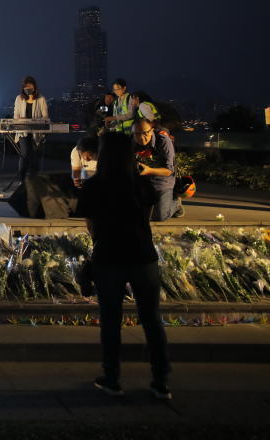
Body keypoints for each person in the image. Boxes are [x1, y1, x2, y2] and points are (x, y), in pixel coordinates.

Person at [76, 132, 171, 399]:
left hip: (109, 257)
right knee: (152, 320)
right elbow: (146, 220)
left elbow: (91, 226)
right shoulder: (142, 185)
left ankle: (111, 378)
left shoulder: (94, 186)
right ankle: (161, 381)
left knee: (110, 321)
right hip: (143, 256)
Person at [133, 117, 184, 220]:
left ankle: (176, 203)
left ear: (151, 130)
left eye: (144, 133)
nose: (141, 137)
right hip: (142, 181)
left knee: (160, 215)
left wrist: (149, 170)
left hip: (161, 182)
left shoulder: (163, 141)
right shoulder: (131, 141)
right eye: (137, 133)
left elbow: (169, 170)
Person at [12, 76, 48, 180]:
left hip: (36, 131)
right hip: (23, 131)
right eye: (25, 86)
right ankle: (21, 180)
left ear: (34, 86)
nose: (28, 88)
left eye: (30, 85)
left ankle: (34, 180)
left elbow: (45, 116)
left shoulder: (41, 98)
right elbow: (15, 115)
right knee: (25, 153)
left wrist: (38, 121)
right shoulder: (19, 98)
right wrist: (20, 119)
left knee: (34, 155)